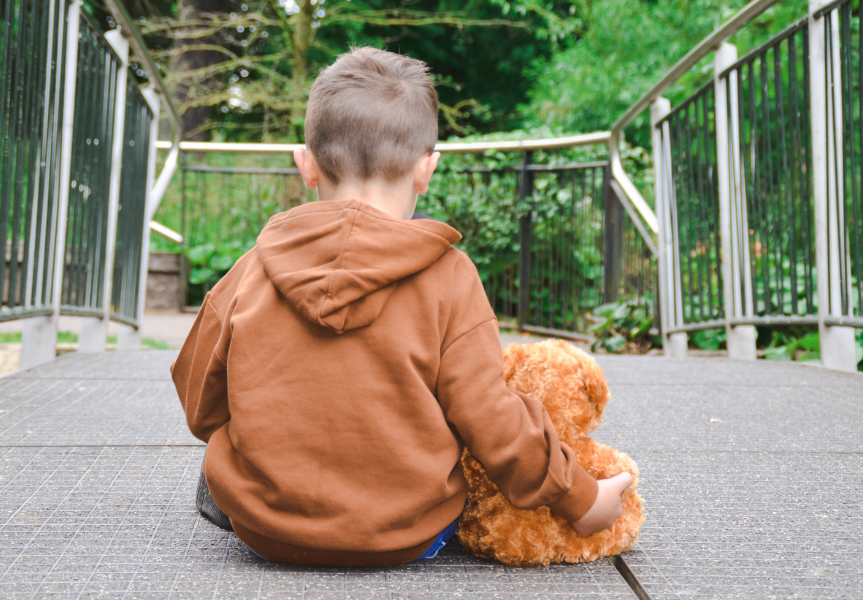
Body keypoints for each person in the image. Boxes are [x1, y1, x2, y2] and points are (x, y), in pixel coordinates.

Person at [171, 46, 632, 568]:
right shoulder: (450, 276)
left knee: (217, 469)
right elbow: (490, 416)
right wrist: (582, 499)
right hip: (406, 535)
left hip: (263, 530)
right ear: (425, 171)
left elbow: (199, 403)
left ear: (306, 164)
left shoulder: (251, 269)